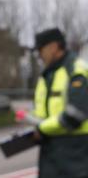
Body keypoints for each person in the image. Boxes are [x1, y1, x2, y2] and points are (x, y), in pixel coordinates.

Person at [31, 27, 88, 177]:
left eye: (41, 50)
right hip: (53, 151)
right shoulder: (48, 74)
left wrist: (42, 129)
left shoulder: (76, 71)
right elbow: (44, 112)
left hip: (76, 153)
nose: (39, 56)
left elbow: (76, 114)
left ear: (54, 47)